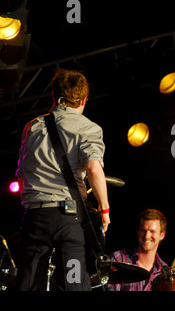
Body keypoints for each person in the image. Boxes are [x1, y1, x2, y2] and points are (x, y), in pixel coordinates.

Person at [15, 69, 110, 291]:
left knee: (28, 285)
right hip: (68, 221)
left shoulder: (32, 127)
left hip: (35, 219)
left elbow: (22, 173)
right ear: (84, 99)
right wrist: (104, 210)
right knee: (75, 282)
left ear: (54, 96)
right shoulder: (88, 127)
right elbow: (94, 168)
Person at [106, 208, 168, 291]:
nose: (147, 236)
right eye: (143, 230)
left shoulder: (165, 271)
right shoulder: (118, 258)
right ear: (137, 231)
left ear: (162, 235)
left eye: (152, 231)